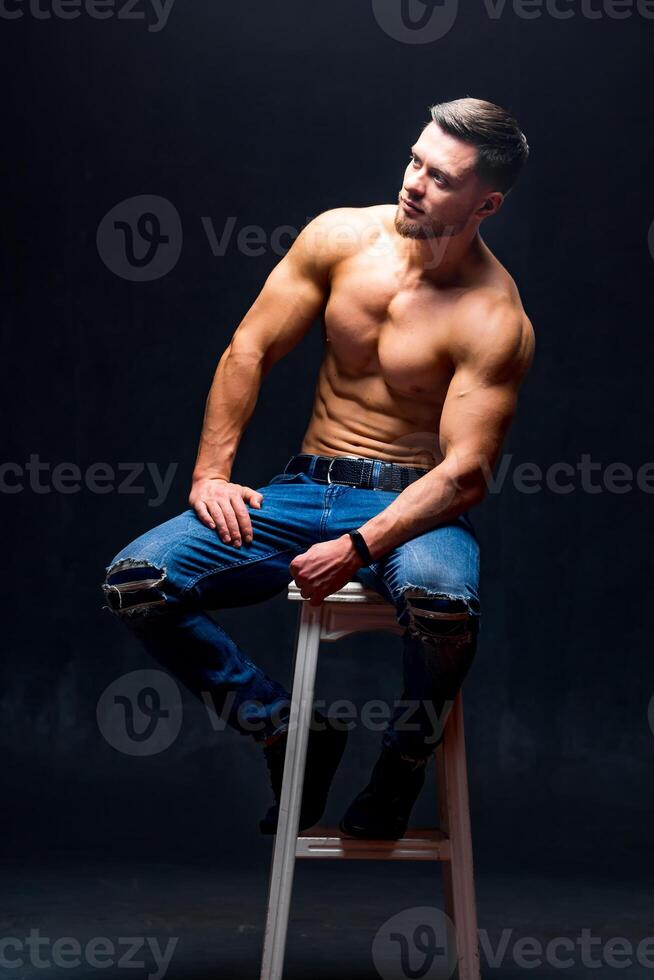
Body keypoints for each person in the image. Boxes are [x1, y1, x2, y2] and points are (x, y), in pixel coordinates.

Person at [102, 97, 535, 840]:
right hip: (303, 488)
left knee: (443, 608)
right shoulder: (338, 238)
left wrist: (363, 548)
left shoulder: (494, 316)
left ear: (486, 202)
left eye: (440, 177)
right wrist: (211, 473)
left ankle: (404, 758)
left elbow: (465, 474)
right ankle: (284, 730)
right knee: (138, 581)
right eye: (415, 160)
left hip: (413, 506)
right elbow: (250, 349)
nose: (414, 182)